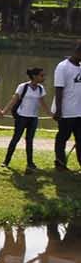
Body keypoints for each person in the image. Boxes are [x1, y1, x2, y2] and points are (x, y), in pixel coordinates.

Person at [2, 67, 47, 172]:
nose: (43, 77)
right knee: (16, 138)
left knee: (30, 140)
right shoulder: (23, 87)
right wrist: (4, 111)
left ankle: (30, 163)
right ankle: (6, 161)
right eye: (41, 75)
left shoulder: (41, 88)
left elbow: (43, 103)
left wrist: (52, 114)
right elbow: (14, 99)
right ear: (34, 76)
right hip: (22, 117)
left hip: (33, 118)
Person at [54, 42, 81, 172]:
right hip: (66, 112)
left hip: (79, 112)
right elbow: (59, 89)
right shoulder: (63, 67)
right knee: (63, 138)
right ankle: (60, 163)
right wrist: (59, 110)